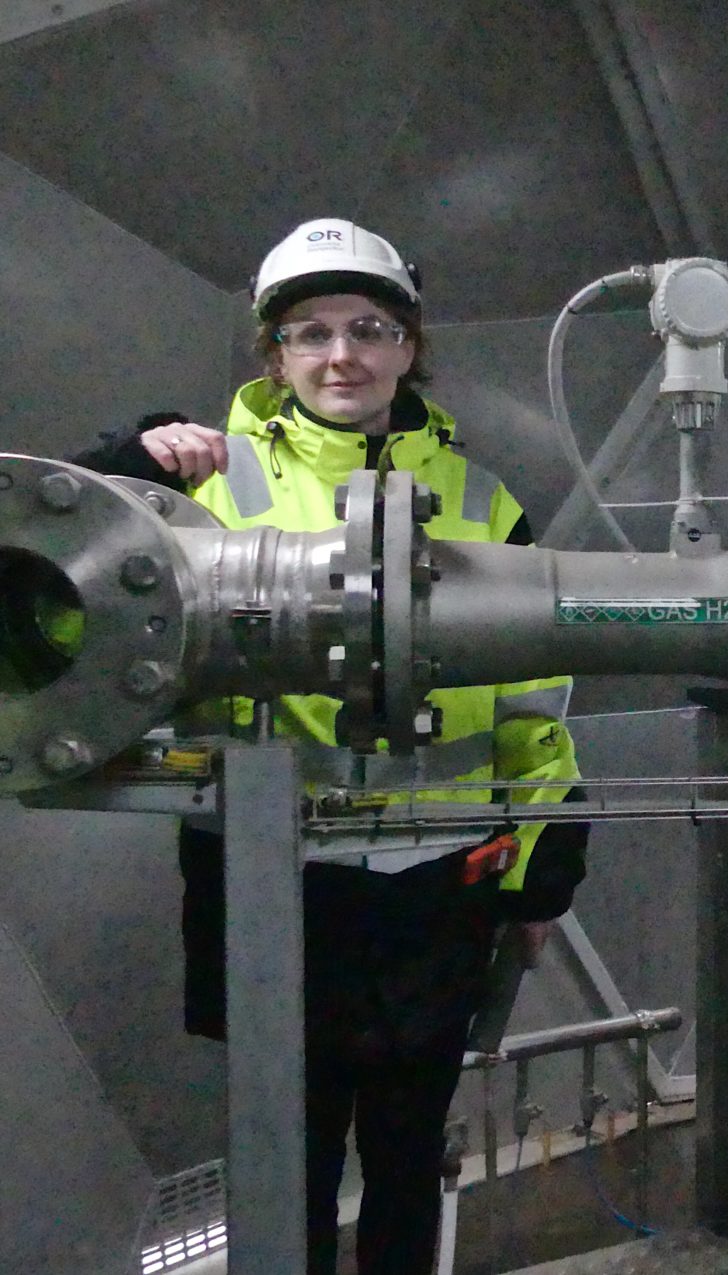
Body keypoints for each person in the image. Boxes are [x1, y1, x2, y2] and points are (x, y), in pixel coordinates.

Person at [75, 218, 587, 1275]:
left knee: (405, 1158)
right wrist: (121, 466)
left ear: (408, 346)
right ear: (276, 357)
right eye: (308, 333)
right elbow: (45, 573)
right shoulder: (201, 485)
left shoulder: (487, 503)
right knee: (283, 1161)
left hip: (432, 887)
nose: (339, 355)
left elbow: (537, 714)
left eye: (367, 328)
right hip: (267, 887)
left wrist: (538, 880)